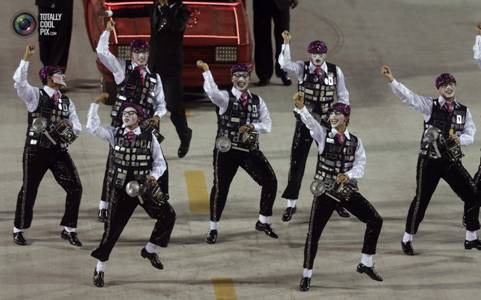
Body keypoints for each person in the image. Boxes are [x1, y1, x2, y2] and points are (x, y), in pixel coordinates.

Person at [381, 65, 481, 255]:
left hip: (451, 162)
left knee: (473, 194)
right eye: (444, 85)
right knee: (421, 200)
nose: (448, 88)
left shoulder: (463, 111)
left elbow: (471, 132)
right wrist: (391, 80)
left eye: (451, 84)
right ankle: (407, 238)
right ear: (439, 89)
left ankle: (471, 237)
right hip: (429, 162)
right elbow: (408, 97)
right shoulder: (429, 105)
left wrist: (462, 140)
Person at [293, 92, 384, 292]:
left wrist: (349, 175)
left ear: (347, 118)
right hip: (326, 193)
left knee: (375, 220)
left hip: (346, 192)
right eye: (332, 114)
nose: (333, 117)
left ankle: (366, 263)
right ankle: (306, 275)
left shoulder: (356, 142)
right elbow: (311, 124)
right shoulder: (323, 135)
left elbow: (361, 165)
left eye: (338, 114)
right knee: (313, 234)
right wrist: (302, 109)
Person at [87, 96, 176, 288]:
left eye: (130, 113)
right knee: (111, 230)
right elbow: (93, 128)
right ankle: (99, 268)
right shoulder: (114, 133)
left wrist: (154, 176)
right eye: (124, 113)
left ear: (139, 117)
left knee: (168, 215)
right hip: (121, 189)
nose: (126, 116)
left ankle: (150, 249)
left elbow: (160, 161)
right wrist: (95, 105)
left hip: (143, 186)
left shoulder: (149, 136)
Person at [197, 60, 278, 244]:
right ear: (232, 78)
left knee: (270, 181)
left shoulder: (258, 101)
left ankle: (263, 221)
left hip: (249, 150)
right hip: (227, 151)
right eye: (238, 76)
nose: (241, 80)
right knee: (220, 188)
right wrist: (207, 72)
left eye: (245, 76)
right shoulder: (225, 98)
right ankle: (213, 228)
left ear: (249, 78)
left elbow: (267, 125)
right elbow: (211, 92)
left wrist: (253, 126)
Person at [95, 19, 167, 223]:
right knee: (114, 164)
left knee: (149, 163)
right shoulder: (121, 69)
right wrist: (107, 31)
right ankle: (105, 205)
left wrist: (156, 116)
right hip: (123, 126)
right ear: (131, 53)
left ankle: (151, 200)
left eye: (144, 52)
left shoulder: (155, 79)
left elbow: (162, 104)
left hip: (144, 129)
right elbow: (101, 51)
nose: (142, 56)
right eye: (138, 52)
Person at [12, 45, 83, 247]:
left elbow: (77, 126)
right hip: (36, 151)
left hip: (58, 151)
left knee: (75, 187)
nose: (62, 76)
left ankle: (69, 229)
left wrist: (69, 130)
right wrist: (26, 58)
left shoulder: (67, 102)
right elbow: (19, 83)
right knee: (29, 189)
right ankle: (19, 228)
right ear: (50, 77)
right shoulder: (35, 95)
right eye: (59, 73)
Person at [278, 31, 351, 221]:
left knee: (331, 164)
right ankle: (291, 203)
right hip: (306, 120)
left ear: (326, 55)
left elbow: (343, 95)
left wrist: (342, 115)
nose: (317, 58)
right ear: (310, 55)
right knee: (297, 161)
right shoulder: (303, 68)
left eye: (321, 54)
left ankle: (334, 201)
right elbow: (284, 65)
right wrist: (286, 44)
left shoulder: (335, 71)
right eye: (314, 54)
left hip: (328, 124)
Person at [105, 0, 192, 158]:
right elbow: (134, 11)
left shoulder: (182, 10)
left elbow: (176, 26)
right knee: (150, 106)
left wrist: (165, 8)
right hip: (154, 65)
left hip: (171, 67)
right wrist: (113, 14)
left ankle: (185, 135)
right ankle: (153, 144)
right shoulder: (155, 8)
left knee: (174, 105)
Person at [253, 0, 298, 86]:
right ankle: (264, 75)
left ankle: (283, 71)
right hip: (261, 4)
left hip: (282, 3)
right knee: (262, 37)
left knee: (284, 38)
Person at [36, 0, 73, 71]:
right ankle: (48, 69)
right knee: (45, 39)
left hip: (63, 4)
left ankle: (56, 74)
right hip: (45, 4)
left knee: (60, 39)